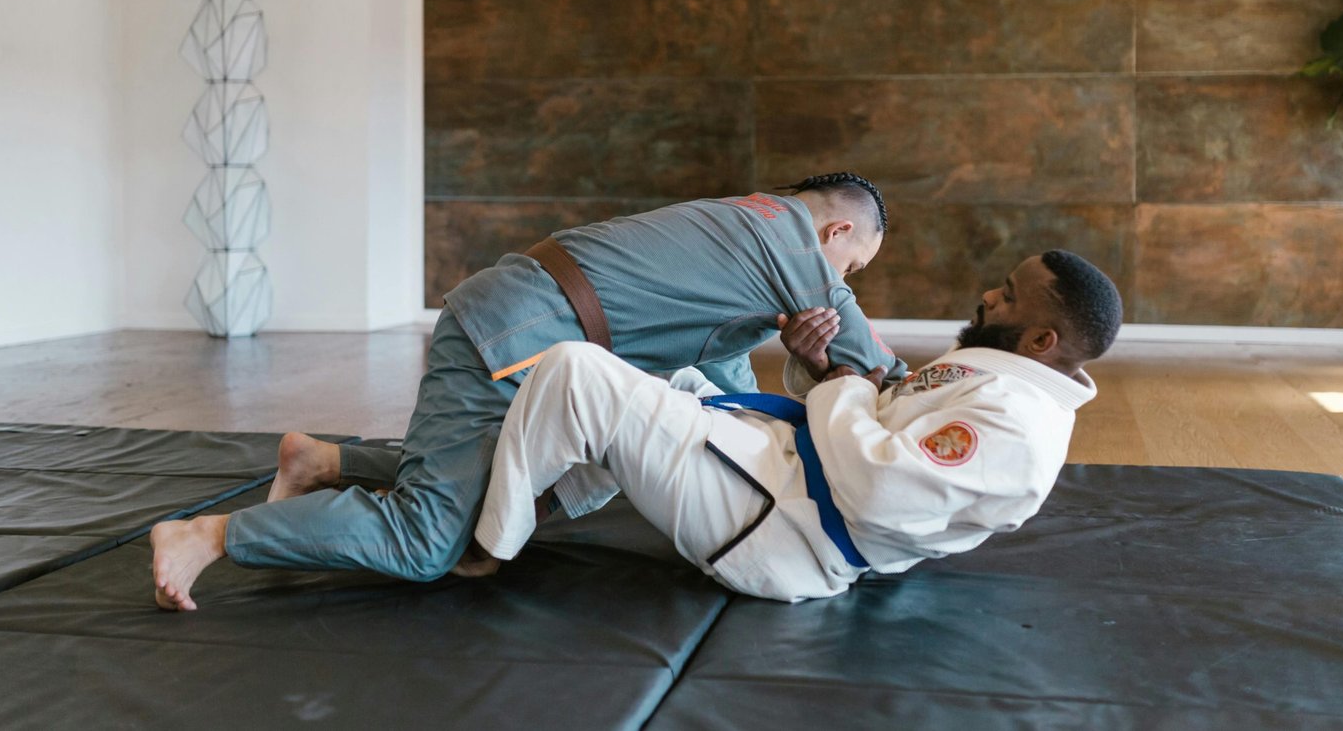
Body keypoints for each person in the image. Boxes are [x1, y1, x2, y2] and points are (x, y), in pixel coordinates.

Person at [153, 173, 906, 610]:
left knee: (571, 467)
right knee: (425, 543)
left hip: (522, 325)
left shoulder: (744, 242)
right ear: (835, 232)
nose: (842, 285)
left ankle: (323, 462)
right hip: (509, 340)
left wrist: (802, 370)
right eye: (855, 270)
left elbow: (722, 408)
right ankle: (208, 535)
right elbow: (877, 366)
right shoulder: (788, 240)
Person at [474, 249, 1121, 602]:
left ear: (1043, 337)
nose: (987, 295)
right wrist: (820, 367)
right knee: (665, 372)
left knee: (573, 370)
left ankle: (483, 547)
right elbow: (884, 416)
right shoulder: (1002, 371)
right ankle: (546, 495)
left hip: (782, 532)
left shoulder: (1019, 430)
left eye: (1006, 295)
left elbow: (876, 489)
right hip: (786, 473)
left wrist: (843, 387)